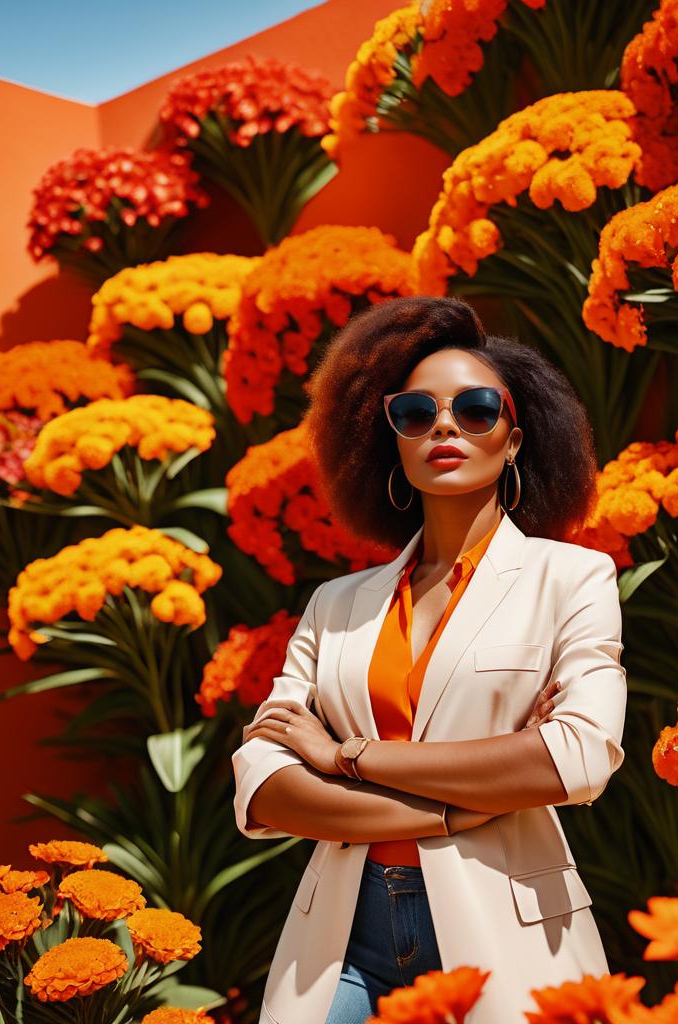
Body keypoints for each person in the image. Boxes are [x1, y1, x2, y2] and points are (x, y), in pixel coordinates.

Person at [232, 295, 628, 1024]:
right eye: (415, 413)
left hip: (504, 927)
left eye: (476, 408)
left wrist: (347, 753)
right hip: (343, 934)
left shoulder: (571, 580)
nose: (444, 425)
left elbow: (578, 756)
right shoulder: (338, 604)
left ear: (514, 438)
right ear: (394, 442)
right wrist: (457, 806)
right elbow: (262, 781)